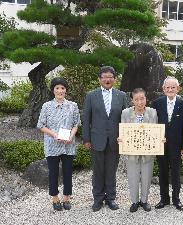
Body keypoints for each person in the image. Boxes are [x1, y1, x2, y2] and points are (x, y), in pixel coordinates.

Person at [83, 66, 128, 212]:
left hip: (115, 140)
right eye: (104, 77)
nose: (107, 79)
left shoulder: (121, 96)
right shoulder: (91, 95)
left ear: (114, 79)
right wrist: (86, 139)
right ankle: (98, 199)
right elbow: (86, 119)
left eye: (110, 77)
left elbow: (125, 119)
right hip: (97, 139)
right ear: (99, 79)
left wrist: (125, 138)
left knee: (111, 171)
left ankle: (110, 198)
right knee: (98, 171)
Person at [37, 77, 81, 211]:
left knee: (68, 172)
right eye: (57, 88)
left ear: (66, 90)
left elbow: (76, 124)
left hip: (68, 145)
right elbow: (40, 125)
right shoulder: (46, 106)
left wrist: (71, 136)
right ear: (53, 90)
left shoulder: (73, 106)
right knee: (53, 172)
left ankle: (67, 197)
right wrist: (54, 135)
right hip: (52, 145)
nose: (60, 90)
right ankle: (55, 198)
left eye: (62, 88)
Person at [152, 76, 183, 211]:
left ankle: (176, 199)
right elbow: (152, 124)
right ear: (163, 89)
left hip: (176, 145)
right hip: (160, 144)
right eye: (167, 87)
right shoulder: (156, 103)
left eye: (173, 87)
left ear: (178, 89)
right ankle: (164, 199)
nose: (170, 89)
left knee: (176, 173)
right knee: (162, 172)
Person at [118, 88, 159, 213]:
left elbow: (156, 130)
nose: (140, 102)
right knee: (133, 176)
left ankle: (144, 201)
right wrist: (121, 138)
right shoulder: (125, 113)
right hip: (131, 151)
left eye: (142, 99)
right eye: (136, 99)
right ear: (132, 101)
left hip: (148, 151)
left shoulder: (152, 112)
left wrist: (160, 139)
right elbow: (123, 130)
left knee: (147, 176)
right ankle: (134, 201)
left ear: (146, 99)